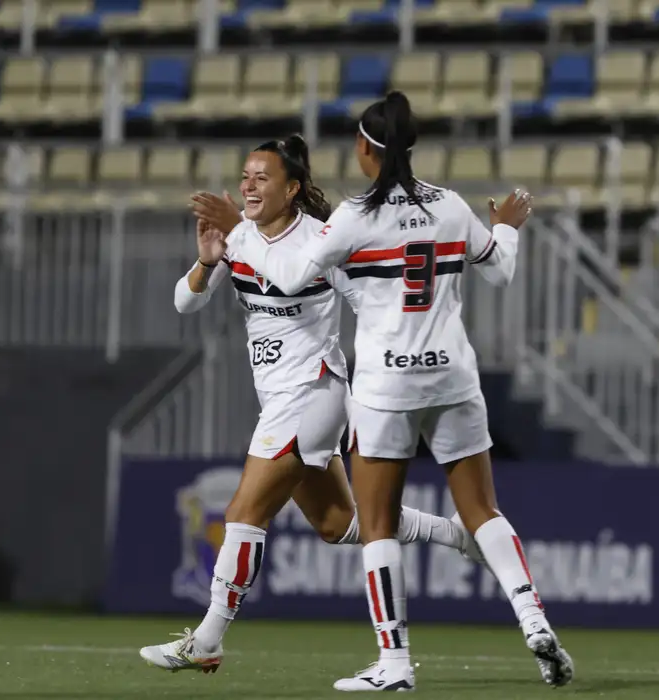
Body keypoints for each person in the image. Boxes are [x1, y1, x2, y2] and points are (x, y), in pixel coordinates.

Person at [205, 91, 574, 693]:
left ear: (365, 148)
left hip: (386, 383)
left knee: (376, 524)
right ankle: (533, 620)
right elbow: (500, 269)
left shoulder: (355, 216)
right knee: (483, 510)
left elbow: (292, 275)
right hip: (452, 375)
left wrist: (238, 233)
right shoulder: (449, 205)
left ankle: (395, 662)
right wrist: (505, 228)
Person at [139, 134, 481, 674]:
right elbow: (185, 302)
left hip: (314, 389)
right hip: (279, 397)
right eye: (245, 177)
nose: (249, 187)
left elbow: (352, 293)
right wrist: (207, 262)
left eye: (263, 178)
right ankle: (459, 534)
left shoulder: (320, 241)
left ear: (292, 188)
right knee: (337, 523)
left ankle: (207, 638)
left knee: (243, 513)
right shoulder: (240, 237)